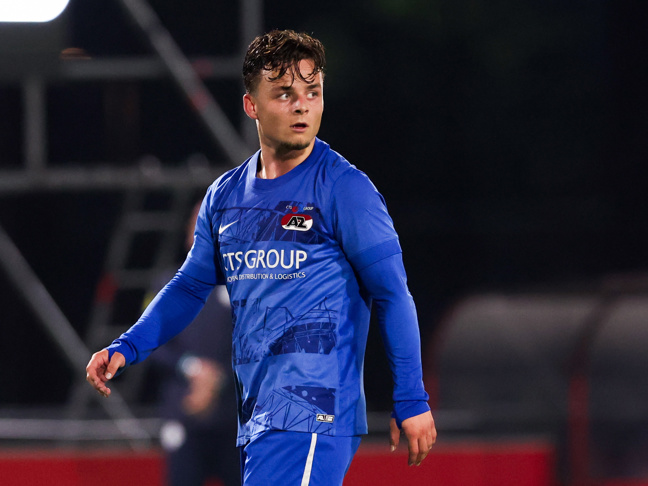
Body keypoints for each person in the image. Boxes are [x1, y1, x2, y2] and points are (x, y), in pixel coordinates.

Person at [87, 29, 436, 485]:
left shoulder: (345, 189)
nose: (302, 106)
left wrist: (411, 398)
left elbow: (393, 294)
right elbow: (190, 286)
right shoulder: (224, 197)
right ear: (251, 105)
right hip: (256, 418)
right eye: (285, 93)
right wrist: (128, 346)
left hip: (314, 412)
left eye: (313, 92)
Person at [147, 202, 239, 486]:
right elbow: (152, 344)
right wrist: (192, 369)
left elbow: (260, 344)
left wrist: (217, 378)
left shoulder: (245, 284)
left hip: (234, 418)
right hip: (183, 414)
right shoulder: (167, 285)